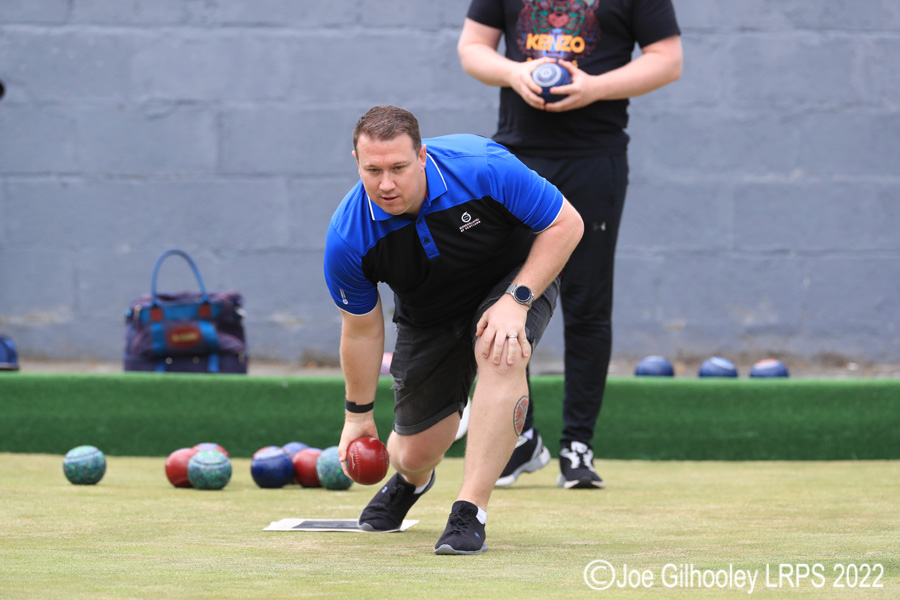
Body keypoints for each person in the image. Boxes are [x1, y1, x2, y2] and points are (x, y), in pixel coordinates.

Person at [324, 105, 583, 555]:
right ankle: (412, 480)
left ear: (422, 156)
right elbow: (362, 331)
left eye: (399, 168)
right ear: (356, 163)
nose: (386, 184)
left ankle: (470, 509)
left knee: (500, 348)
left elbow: (566, 223)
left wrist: (517, 300)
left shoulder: (482, 166)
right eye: (373, 171)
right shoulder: (348, 237)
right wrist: (357, 417)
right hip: (429, 313)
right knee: (411, 453)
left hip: (514, 279)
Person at [457, 0, 683, 489]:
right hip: (516, 157)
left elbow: (668, 60)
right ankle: (520, 439)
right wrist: (516, 73)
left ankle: (577, 446)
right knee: (504, 298)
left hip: (594, 157)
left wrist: (594, 87)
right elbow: (472, 48)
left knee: (587, 302)